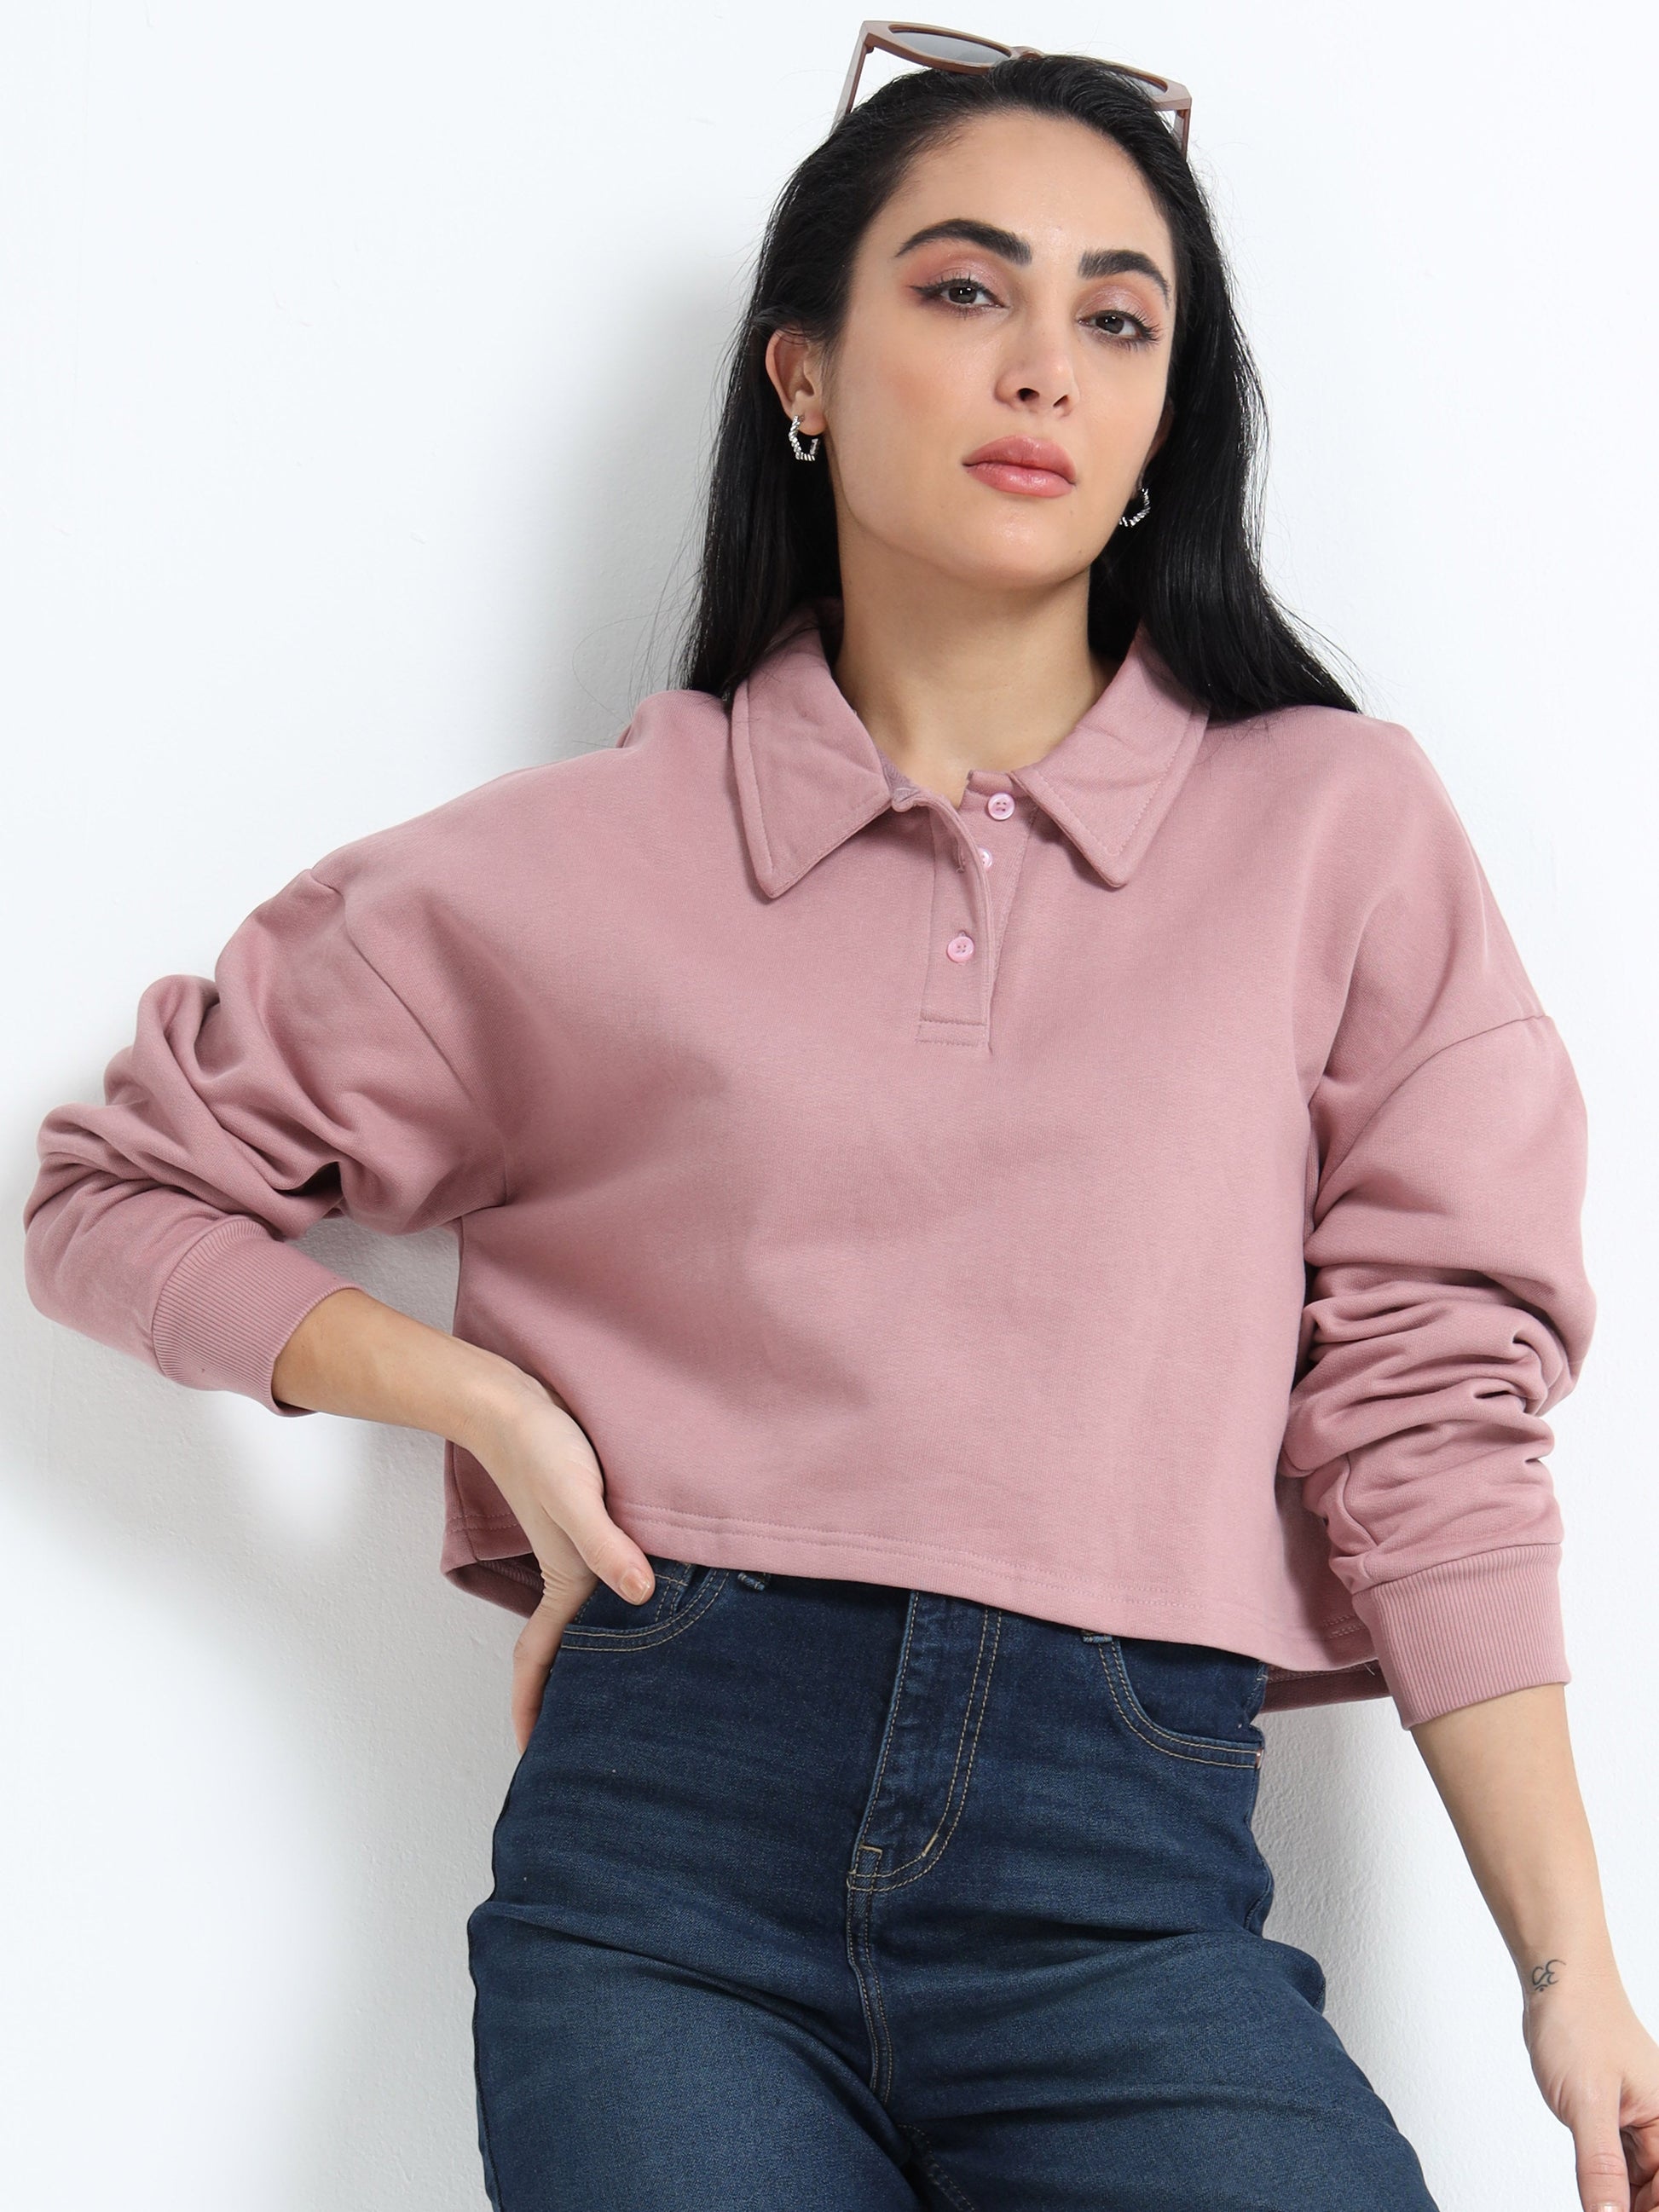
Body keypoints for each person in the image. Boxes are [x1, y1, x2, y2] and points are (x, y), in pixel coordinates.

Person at [21, 33, 1658, 2212]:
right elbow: (109, 1190)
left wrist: (1566, 1966)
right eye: (965, 289)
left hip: (1129, 1885)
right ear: (801, 367)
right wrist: (479, 1399)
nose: (1044, 366)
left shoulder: (1335, 831)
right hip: (664, 1876)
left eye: (1117, 319)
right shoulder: (576, 865)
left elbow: (1429, 1410)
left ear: (1168, 417)